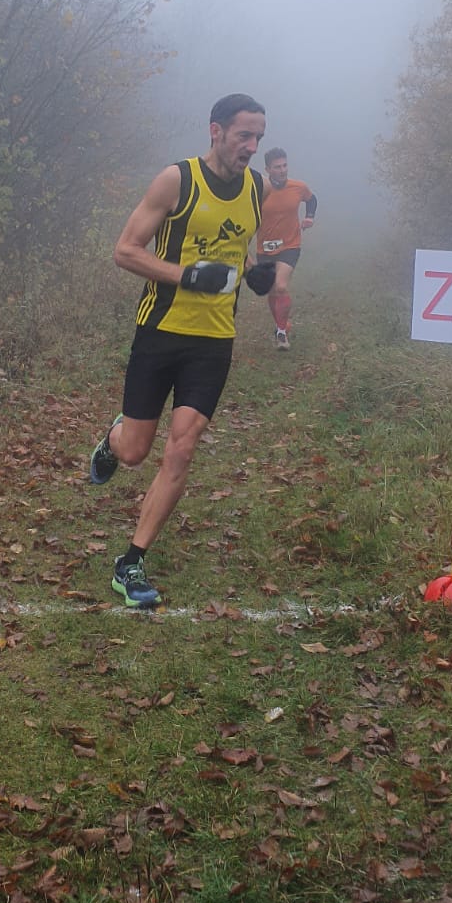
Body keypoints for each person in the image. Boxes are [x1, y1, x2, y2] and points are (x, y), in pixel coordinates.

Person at [88, 93, 276, 609]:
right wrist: (186, 276)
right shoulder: (177, 180)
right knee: (135, 451)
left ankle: (130, 562)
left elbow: (240, 247)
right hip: (161, 331)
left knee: (183, 446)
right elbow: (125, 251)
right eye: (244, 135)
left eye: (259, 137)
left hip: (214, 340)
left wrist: (256, 275)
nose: (252, 146)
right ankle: (112, 441)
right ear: (216, 130)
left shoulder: (257, 187)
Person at [254, 147, 317, 349]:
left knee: (280, 286)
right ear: (267, 169)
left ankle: (281, 334)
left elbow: (312, 199)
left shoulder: (298, 187)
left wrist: (309, 217)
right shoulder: (259, 189)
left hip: (290, 244)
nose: (282, 170)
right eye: (277, 167)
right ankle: (281, 323)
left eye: (284, 166)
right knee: (272, 290)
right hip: (264, 248)